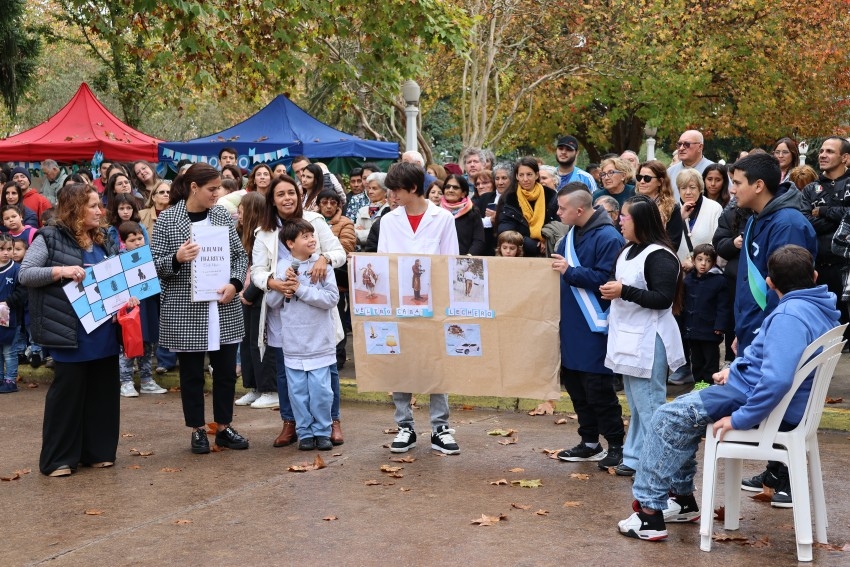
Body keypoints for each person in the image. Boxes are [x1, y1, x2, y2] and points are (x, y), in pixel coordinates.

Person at [617, 245, 839, 541]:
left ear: (769, 283)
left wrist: (740, 419)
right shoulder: (819, 307)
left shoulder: (790, 315)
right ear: (814, 276)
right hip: (759, 395)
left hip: (760, 405)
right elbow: (776, 359)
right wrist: (735, 369)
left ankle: (648, 514)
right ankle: (681, 501)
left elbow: (776, 380)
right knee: (680, 411)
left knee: (665, 418)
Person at [19, 183, 122, 476]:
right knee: (67, 396)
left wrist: (127, 297)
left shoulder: (104, 238)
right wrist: (60, 271)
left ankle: (98, 452)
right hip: (70, 331)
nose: (100, 211)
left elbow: (116, 277)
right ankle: (59, 459)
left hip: (104, 330)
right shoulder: (49, 237)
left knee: (102, 393)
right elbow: (26, 274)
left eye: (100, 205)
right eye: (93, 206)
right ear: (75, 208)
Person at [151, 163, 250, 455]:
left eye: (218, 188)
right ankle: (197, 428)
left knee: (226, 372)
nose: (217, 194)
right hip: (186, 307)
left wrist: (235, 283)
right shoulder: (168, 219)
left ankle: (223, 426)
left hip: (222, 305)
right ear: (194, 187)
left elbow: (239, 256)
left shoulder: (221, 215)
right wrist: (177, 257)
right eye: (212, 189)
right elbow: (154, 264)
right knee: (192, 373)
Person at [252, 174, 348, 447]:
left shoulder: (314, 221)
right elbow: (257, 271)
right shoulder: (264, 231)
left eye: (291, 192)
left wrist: (324, 258)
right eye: (280, 194)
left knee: (326, 371)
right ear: (272, 200)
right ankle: (291, 422)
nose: (287, 198)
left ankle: (332, 421)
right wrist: (273, 283)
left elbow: (340, 253)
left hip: (316, 308)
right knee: (287, 371)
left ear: (299, 194)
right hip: (283, 306)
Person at [378, 162, 461, 455]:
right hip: (399, 305)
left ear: (413, 188)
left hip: (434, 304)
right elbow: (383, 261)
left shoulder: (443, 218)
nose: (392, 195)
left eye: (396, 190)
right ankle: (405, 426)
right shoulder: (389, 220)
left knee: (436, 363)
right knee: (401, 362)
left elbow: (451, 261)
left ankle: (440, 427)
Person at [600, 195, 685, 477]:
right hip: (628, 337)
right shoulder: (627, 250)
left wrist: (623, 291)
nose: (620, 221)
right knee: (637, 404)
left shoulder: (660, 255)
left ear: (641, 221)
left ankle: (663, 465)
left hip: (650, 339)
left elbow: (662, 298)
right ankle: (636, 456)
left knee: (650, 404)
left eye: (625, 217)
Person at [551, 184, 626, 468]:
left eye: (562, 208)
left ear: (579, 210)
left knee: (598, 389)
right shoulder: (569, 235)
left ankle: (616, 444)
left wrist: (570, 272)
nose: (558, 213)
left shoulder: (609, 237)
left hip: (596, 325)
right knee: (576, 387)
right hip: (571, 324)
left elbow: (607, 279)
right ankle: (590, 442)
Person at [265, 218, 339, 451]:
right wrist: (284, 286)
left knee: (321, 391)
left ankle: (322, 431)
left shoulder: (323, 266)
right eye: (305, 237)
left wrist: (300, 289)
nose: (311, 240)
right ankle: (305, 432)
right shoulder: (282, 267)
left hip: (318, 340)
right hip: (294, 342)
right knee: (297, 392)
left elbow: (331, 298)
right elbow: (273, 302)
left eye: (312, 235)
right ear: (290, 243)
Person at [800, 136, 850, 342]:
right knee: (824, 333)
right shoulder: (810, 189)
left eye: (829, 151)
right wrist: (842, 218)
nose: (822, 155)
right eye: (821, 151)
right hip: (819, 268)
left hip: (846, 267)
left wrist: (823, 211)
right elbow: (805, 222)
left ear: (845, 157)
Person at [234, 192, 280, 410]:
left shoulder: (265, 235)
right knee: (247, 343)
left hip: (261, 294)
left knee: (261, 342)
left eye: (241, 210)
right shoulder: (241, 234)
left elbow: (265, 269)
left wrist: (249, 294)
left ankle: (270, 389)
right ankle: (254, 387)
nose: (238, 215)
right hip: (245, 295)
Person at [117, 221, 167, 397]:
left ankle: (146, 380)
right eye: (132, 240)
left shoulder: (150, 257)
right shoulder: (119, 261)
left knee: (147, 344)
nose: (137, 243)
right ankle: (126, 381)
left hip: (148, 306)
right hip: (130, 309)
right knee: (129, 344)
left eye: (140, 238)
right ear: (123, 242)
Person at [681, 243, 731, 388]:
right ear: (693, 260)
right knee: (696, 359)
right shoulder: (688, 279)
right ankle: (699, 384)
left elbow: (723, 306)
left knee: (710, 359)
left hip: (710, 329)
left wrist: (720, 325)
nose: (703, 264)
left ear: (713, 262)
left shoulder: (719, 281)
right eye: (700, 259)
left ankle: (709, 384)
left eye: (708, 261)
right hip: (692, 329)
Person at [497, 157, 558, 257]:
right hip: (518, 254)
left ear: (536, 175)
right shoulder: (509, 198)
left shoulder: (551, 195)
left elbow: (558, 224)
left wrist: (546, 240)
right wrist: (533, 244)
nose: (525, 179)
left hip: (548, 251)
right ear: (516, 176)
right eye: (521, 175)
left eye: (529, 174)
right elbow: (505, 229)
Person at [634, 160, 682, 250]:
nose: (642, 181)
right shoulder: (631, 205)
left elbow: (674, 243)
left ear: (660, 181)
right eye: (639, 177)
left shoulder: (671, 208)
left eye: (647, 178)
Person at [440, 174, 486, 255]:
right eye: (447, 187)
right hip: (439, 259)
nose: (450, 190)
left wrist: (468, 257)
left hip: (465, 259)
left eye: (455, 188)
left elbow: (478, 240)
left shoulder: (473, 212)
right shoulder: (436, 212)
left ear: (463, 193)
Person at [0, 235, 23, 393]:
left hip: (12, 319)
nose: (6, 252)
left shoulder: (17, 270)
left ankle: (10, 380)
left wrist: (8, 302)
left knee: (9, 351)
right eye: (1, 249)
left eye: (9, 249)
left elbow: (23, 292)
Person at [667, 130, 714, 202]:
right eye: (679, 144)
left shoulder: (714, 170)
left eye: (687, 144)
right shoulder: (670, 172)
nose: (681, 148)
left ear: (700, 147)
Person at [354, 172, 389, 248]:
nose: (370, 192)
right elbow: (354, 236)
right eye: (369, 188)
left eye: (374, 188)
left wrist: (362, 232)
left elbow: (382, 236)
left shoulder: (389, 209)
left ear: (385, 191)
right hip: (364, 253)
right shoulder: (362, 211)